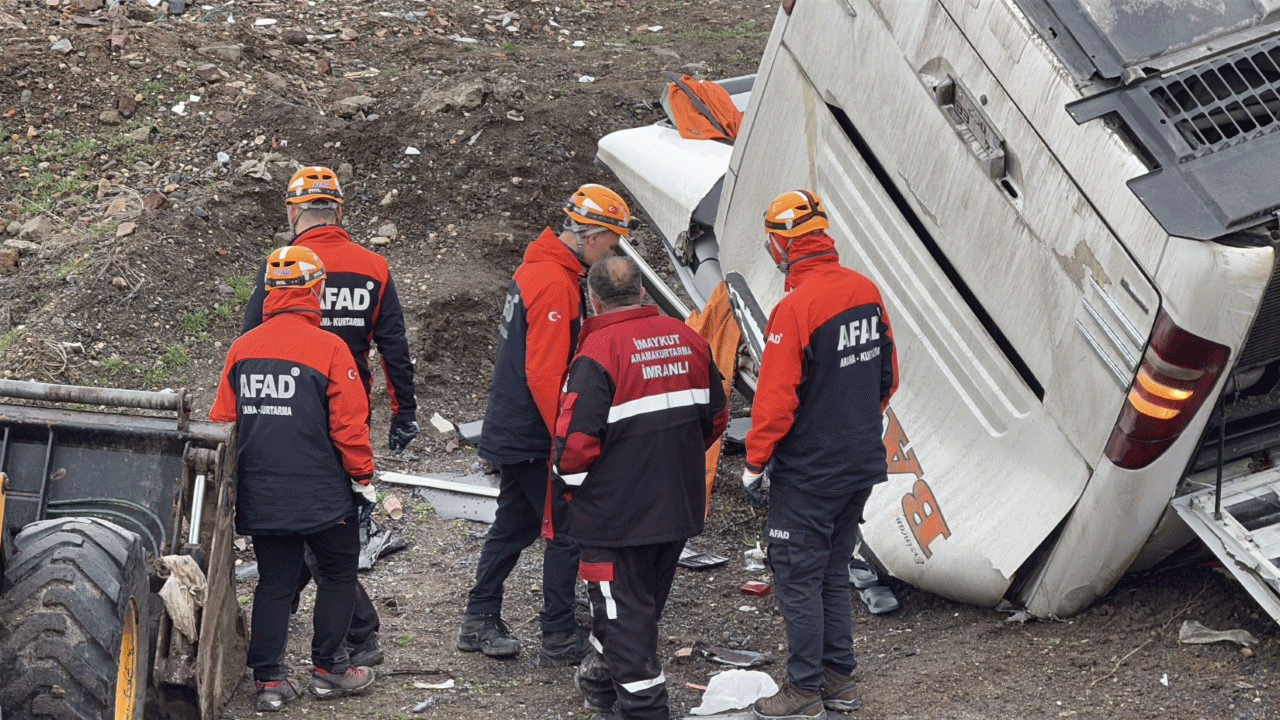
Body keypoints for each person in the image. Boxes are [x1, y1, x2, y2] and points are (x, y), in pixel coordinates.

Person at [243, 165, 420, 667]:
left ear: (293, 211)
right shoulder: (374, 267)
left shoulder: (276, 266)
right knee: (329, 526)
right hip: (348, 411)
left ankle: (337, 637)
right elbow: (394, 349)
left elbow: (251, 341)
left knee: (311, 531)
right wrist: (403, 412)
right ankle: (354, 636)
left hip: (284, 412)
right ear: (339, 209)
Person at [458, 183, 635, 666]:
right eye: (612, 243)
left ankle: (478, 618)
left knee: (514, 524)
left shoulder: (537, 268)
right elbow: (546, 374)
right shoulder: (556, 283)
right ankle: (558, 634)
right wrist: (567, 439)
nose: (612, 253)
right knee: (567, 531)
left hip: (512, 427)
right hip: (534, 434)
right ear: (593, 235)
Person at [742, 190, 898, 720]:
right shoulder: (865, 291)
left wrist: (755, 462)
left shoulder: (795, 308)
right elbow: (888, 378)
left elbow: (775, 400)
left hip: (809, 474)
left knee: (797, 576)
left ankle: (804, 689)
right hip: (858, 463)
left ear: (780, 244)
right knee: (832, 571)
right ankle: (839, 680)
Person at [551, 256, 728, 720]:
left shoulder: (598, 353)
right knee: (637, 611)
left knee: (627, 623)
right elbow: (716, 417)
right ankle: (600, 683)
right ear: (645, 293)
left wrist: (565, 498)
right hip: (676, 508)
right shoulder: (689, 339)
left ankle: (644, 708)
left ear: (593, 299)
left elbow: (575, 448)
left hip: (614, 519)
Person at [211, 245, 378, 711]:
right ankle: (330, 670)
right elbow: (350, 427)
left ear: (270, 291)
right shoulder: (330, 348)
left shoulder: (242, 349)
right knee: (340, 573)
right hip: (323, 495)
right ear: (315, 289)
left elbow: (223, 422)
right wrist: (363, 476)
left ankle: (269, 684)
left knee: (274, 583)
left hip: (262, 494)